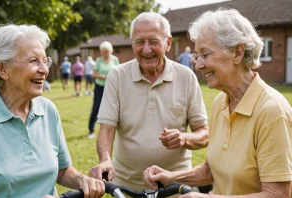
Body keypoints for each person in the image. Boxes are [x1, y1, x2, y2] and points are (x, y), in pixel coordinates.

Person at [0, 24, 104, 198]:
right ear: (2, 69)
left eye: (44, 60)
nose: (44, 69)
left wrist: (81, 179)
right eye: (34, 61)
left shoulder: (48, 110)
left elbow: (62, 170)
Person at [143, 8, 292, 197]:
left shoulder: (272, 112)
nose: (198, 65)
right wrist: (171, 177)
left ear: (237, 53)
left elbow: (277, 194)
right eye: (197, 56)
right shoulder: (221, 102)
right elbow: (212, 169)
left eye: (205, 54)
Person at [89, 12, 209, 191]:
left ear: (168, 43)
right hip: (127, 187)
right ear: (132, 43)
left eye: (153, 41)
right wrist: (105, 159)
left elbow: (204, 134)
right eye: (139, 42)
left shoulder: (186, 77)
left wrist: (184, 138)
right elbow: (106, 129)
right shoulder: (117, 76)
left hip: (174, 187)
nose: (146, 49)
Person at [87, 41, 119, 139]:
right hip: (100, 87)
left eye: (107, 51)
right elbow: (94, 74)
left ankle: (117, 131)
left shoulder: (115, 59)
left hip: (112, 87)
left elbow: (119, 71)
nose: (105, 53)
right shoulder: (98, 60)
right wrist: (101, 76)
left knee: (115, 108)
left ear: (111, 51)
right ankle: (91, 130)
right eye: (103, 51)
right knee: (96, 108)